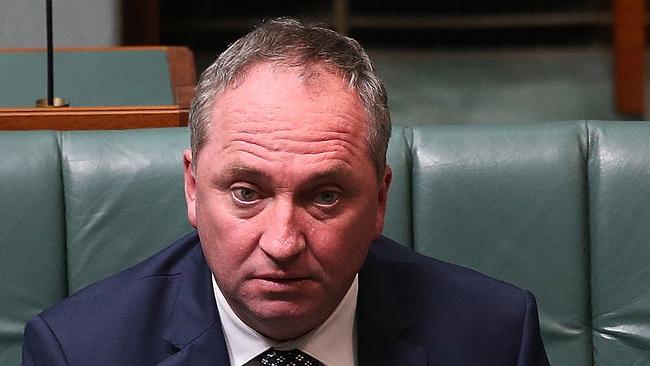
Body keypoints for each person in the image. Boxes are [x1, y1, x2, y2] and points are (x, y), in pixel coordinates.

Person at [22, 17, 549, 366]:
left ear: (381, 201)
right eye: (247, 193)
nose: (282, 243)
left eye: (325, 197)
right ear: (192, 187)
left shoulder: (496, 338)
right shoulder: (78, 351)